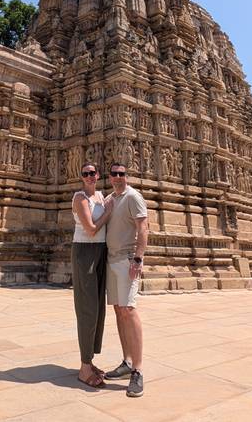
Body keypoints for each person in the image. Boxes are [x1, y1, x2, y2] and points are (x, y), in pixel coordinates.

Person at [104, 162, 148, 397]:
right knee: (119, 310)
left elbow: (143, 227)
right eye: (114, 174)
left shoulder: (133, 196)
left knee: (129, 310)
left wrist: (138, 259)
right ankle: (127, 361)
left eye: (122, 174)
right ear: (110, 177)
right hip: (112, 260)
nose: (118, 177)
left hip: (128, 261)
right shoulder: (111, 198)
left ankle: (138, 371)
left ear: (126, 176)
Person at [71, 162, 113, 388]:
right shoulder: (80, 198)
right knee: (87, 308)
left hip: (100, 251)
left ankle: (90, 359)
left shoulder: (100, 196)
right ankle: (84, 367)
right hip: (84, 252)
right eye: (85, 173)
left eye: (92, 173)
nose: (89, 176)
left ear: (98, 175)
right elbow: (90, 228)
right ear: (81, 177)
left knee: (98, 308)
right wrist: (107, 212)